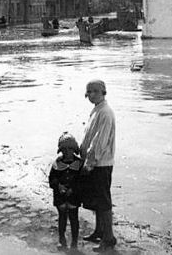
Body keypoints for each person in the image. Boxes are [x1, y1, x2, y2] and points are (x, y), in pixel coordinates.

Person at [80, 79, 117, 252]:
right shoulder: (96, 110)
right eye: (89, 92)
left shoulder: (105, 112)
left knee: (103, 201)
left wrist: (90, 162)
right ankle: (99, 231)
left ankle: (108, 238)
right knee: (97, 200)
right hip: (94, 162)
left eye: (95, 91)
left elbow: (100, 142)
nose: (91, 94)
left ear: (103, 92)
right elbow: (89, 136)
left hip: (100, 163)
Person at [49, 132, 83, 250]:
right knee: (62, 217)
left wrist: (73, 189)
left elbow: (81, 180)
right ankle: (61, 239)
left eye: (70, 148)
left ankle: (74, 242)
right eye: (64, 149)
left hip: (74, 196)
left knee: (74, 219)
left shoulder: (79, 164)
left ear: (74, 149)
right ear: (61, 149)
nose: (67, 151)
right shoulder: (57, 163)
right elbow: (51, 179)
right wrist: (58, 186)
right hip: (60, 196)